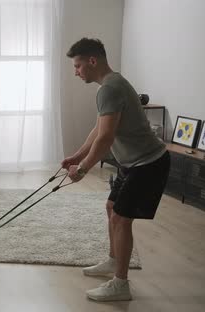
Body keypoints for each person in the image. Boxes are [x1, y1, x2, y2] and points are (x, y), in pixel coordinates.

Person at [62, 38, 170, 302]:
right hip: (132, 163)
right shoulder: (111, 84)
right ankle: (113, 261)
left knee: (121, 218)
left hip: (148, 164)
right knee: (112, 209)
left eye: (77, 66)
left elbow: (106, 138)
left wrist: (83, 169)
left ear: (92, 61)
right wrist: (77, 155)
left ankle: (120, 284)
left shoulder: (109, 89)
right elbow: (99, 129)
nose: (76, 72)